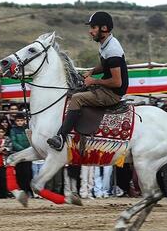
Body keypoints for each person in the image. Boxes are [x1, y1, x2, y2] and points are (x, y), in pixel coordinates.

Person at [47, 11, 129, 151]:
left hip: (112, 94)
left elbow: (117, 82)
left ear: (103, 28)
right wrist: (92, 72)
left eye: (93, 28)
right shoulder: (106, 43)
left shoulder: (113, 49)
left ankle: (61, 137)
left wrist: (94, 81)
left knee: (77, 99)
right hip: (107, 88)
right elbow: (105, 65)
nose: (90, 31)